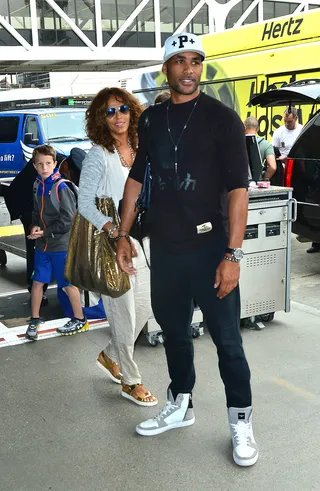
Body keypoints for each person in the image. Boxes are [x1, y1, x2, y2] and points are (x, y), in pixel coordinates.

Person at [117, 32, 258, 467]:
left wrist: (232, 255)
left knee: (228, 342)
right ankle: (181, 404)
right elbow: (137, 180)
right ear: (167, 68)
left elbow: (238, 190)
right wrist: (123, 235)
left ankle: (241, 421)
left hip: (211, 248)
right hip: (166, 248)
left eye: (196, 60)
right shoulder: (153, 120)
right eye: (179, 61)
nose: (189, 68)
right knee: (175, 333)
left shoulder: (222, 119)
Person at [78, 87, 157, 407]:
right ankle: (131, 380)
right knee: (123, 314)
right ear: (101, 118)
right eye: (109, 111)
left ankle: (111, 355)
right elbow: (84, 203)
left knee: (147, 306)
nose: (117, 116)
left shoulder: (141, 149)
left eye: (122, 109)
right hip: (111, 244)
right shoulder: (99, 154)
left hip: (143, 240)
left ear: (131, 112)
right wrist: (112, 229)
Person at [25, 145, 88, 341]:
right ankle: (34, 319)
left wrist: (45, 232)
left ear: (54, 164)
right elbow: (36, 212)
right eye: (40, 164)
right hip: (43, 245)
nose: (44, 167)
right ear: (35, 166)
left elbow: (68, 220)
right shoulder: (37, 185)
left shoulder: (61, 186)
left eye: (48, 163)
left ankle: (80, 319)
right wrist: (34, 226)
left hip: (61, 246)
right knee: (37, 282)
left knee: (68, 284)